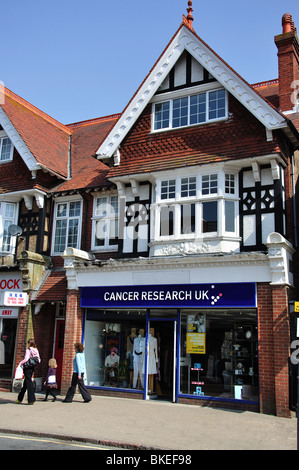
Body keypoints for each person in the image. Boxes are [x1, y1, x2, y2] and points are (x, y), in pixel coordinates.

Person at [16, 338, 41, 405]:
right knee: (26, 383)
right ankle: (19, 399)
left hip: (27, 367)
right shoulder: (36, 350)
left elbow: (26, 359)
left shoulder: (28, 350)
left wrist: (21, 363)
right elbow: (39, 360)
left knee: (28, 382)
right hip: (32, 367)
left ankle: (31, 399)